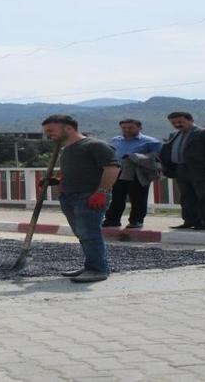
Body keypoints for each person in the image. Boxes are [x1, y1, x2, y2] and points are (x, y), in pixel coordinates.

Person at [41, 114, 120, 283]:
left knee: (89, 233)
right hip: (69, 196)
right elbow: (78, 171)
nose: (48, 135)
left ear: (68, 128)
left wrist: (102, 192)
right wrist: (57, 181)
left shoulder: (95, 145)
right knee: (82, 234)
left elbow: (112, 168)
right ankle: (91, 265)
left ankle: (97, 270)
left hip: (89, 196)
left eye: (51, 130)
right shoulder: (66, 149)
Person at [159, 111, 205, 231]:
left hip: (202, 171)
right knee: (187, 197)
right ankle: (190, 221)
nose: (177, 124)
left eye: (180, 122)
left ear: (191, 120)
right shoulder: (174, 134)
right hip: (181, 169)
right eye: (174, 123)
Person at [103, 119, 162, 229]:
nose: (127, 130)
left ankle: (136, 221)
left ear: (139, 128)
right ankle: (112, 220)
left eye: (130, 127)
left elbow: (157, 156)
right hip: (118, 171)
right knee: (117, 197)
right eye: (124, 128)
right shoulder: (115, 140)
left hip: (138, 172)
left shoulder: (151, 142)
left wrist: (136, 157)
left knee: (138, 197)